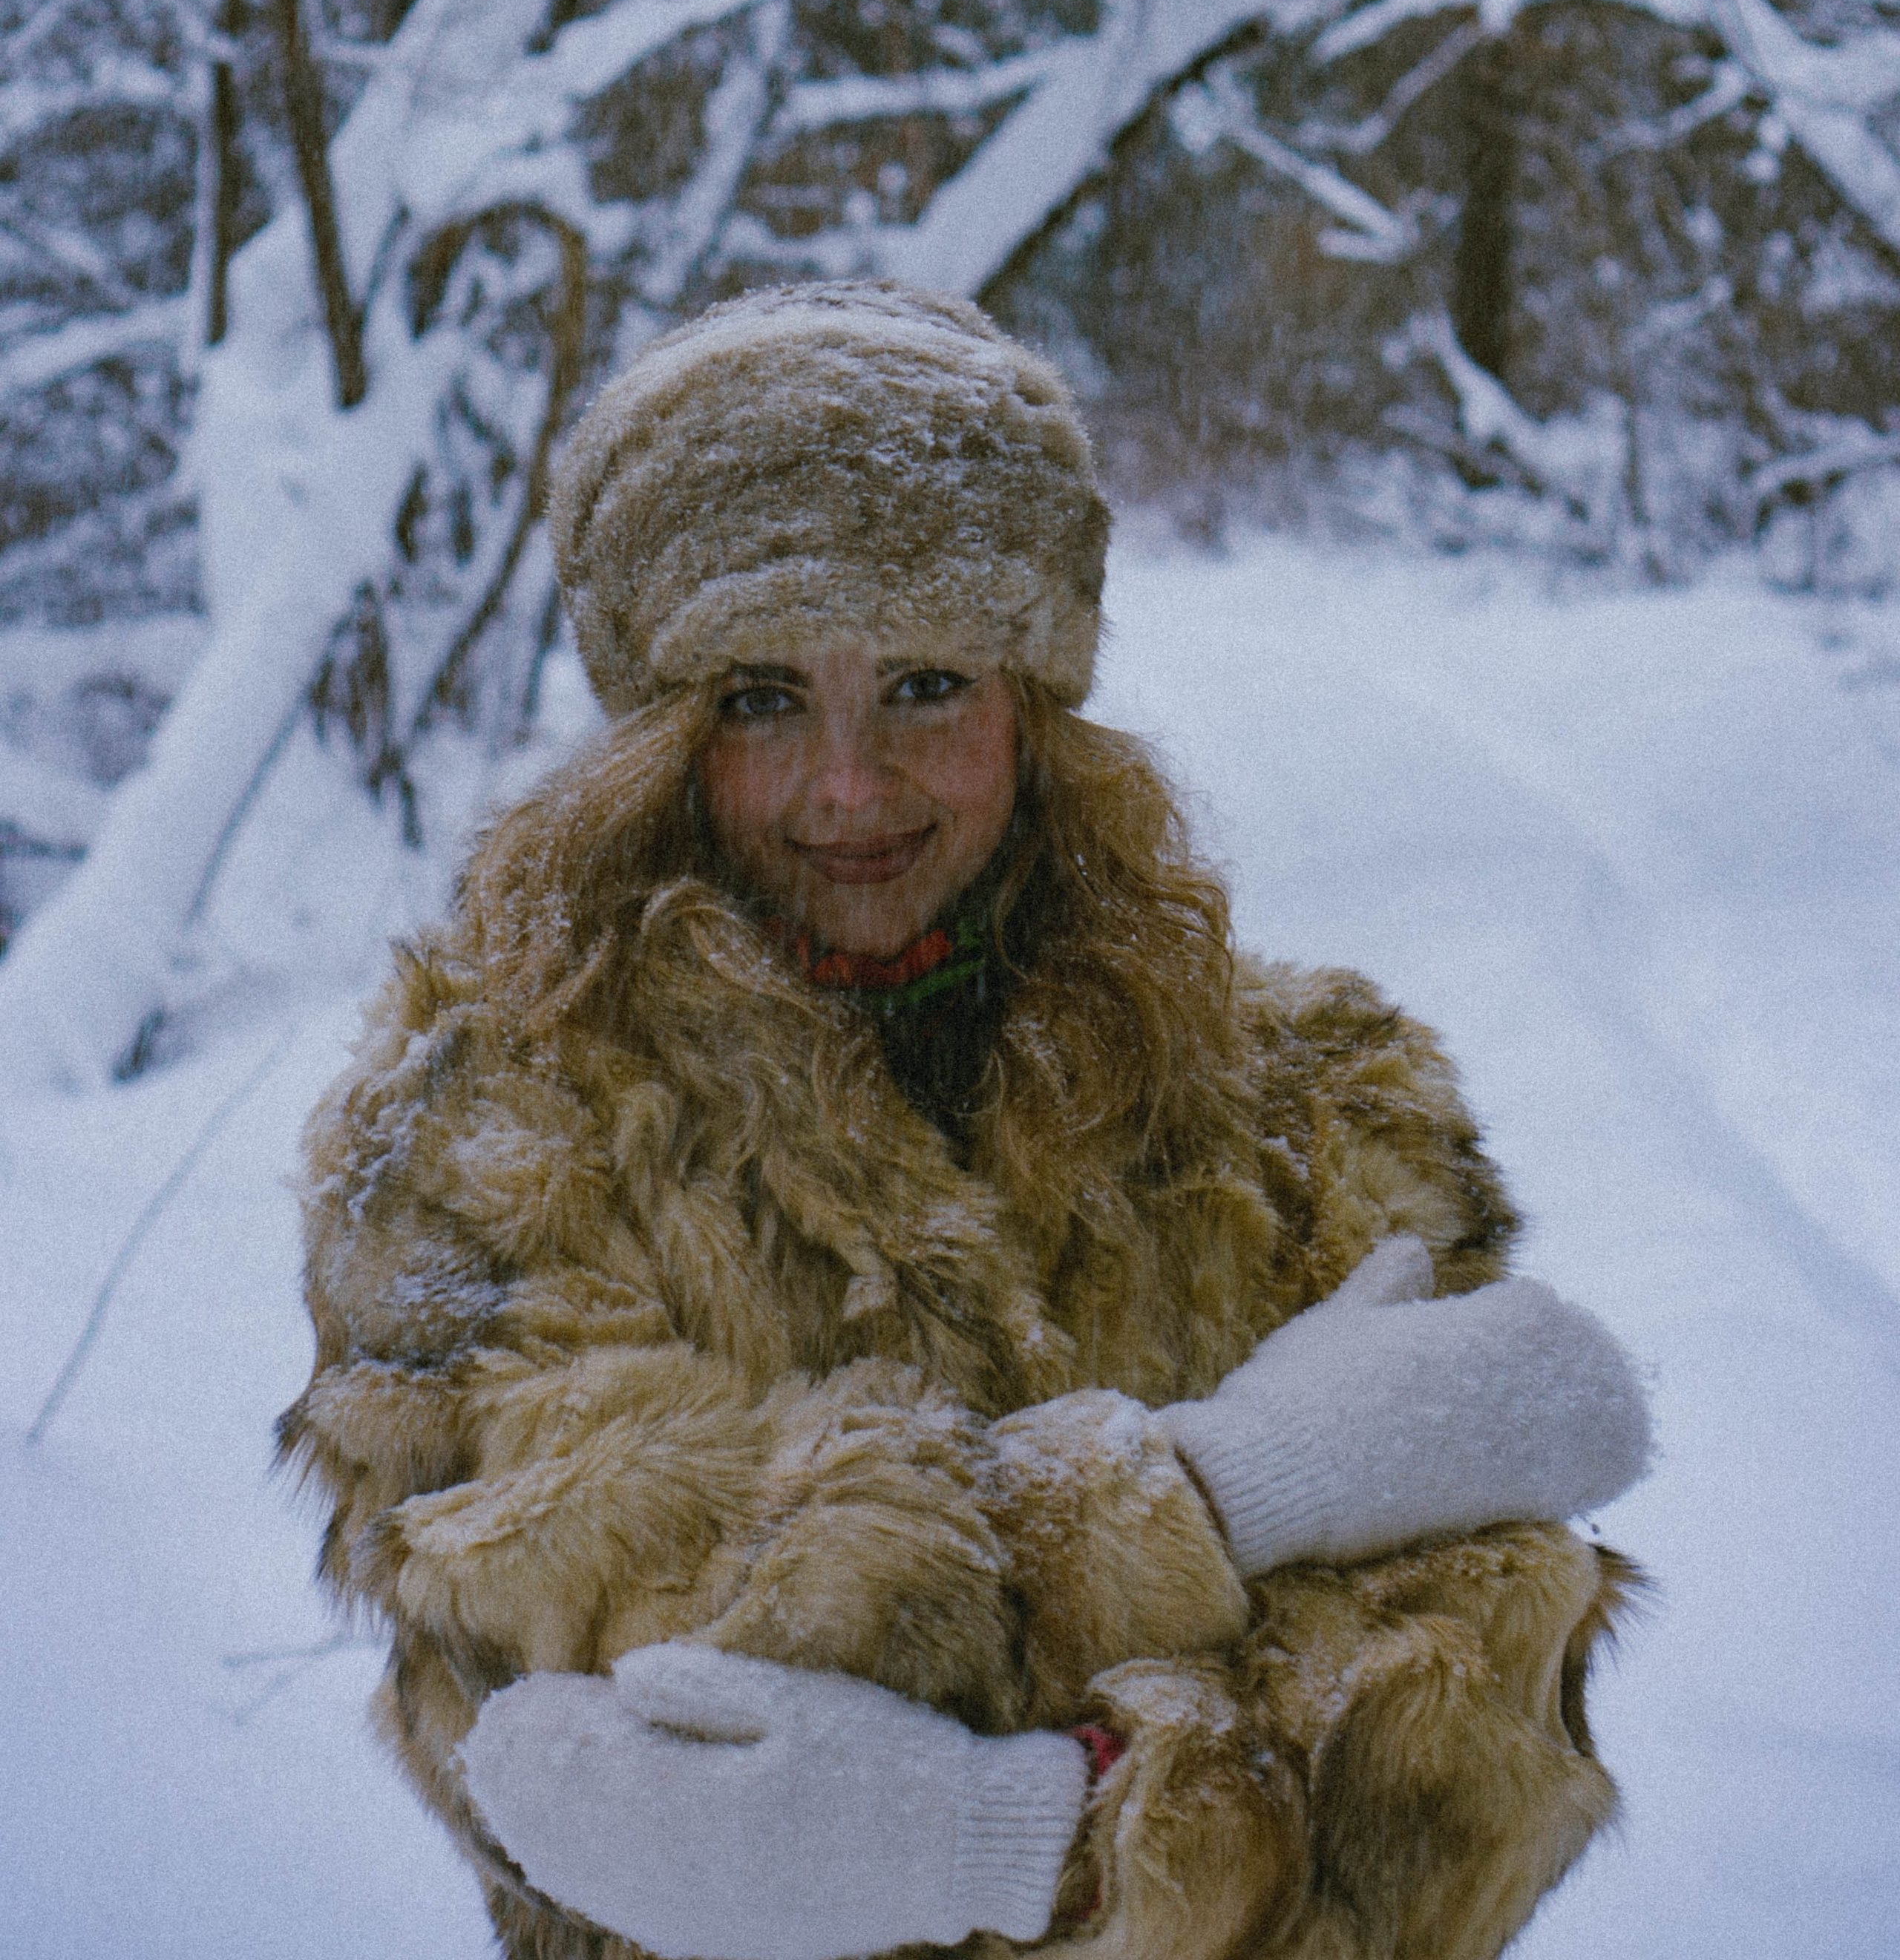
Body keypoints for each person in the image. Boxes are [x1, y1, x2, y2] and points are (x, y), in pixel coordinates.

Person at [281, 283, 1650, 1960]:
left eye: (924, 683)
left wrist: (967, 1839)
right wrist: (1218, 1498)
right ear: (655, 730)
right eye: (761, 698)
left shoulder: (1317, 1113)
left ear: (1036, 699)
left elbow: (1463, 1747)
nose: (848, 786)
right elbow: (589, 1691)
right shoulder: (479, 1132)